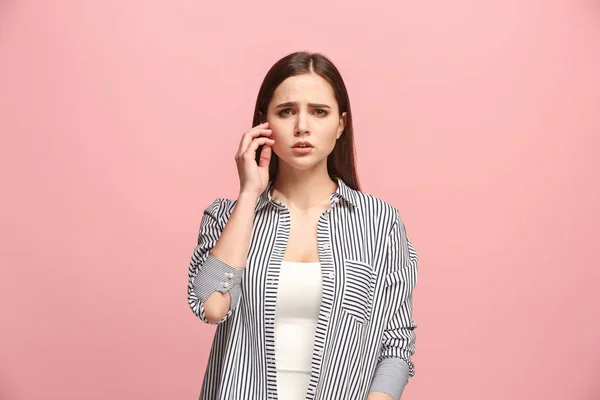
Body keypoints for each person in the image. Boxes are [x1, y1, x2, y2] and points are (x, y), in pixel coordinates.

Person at [187, 51, 418, 400]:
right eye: (286, 112)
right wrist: (249, 193)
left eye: (319, 112)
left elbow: (396, 344)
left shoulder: (380, 223)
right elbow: (212, 306)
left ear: (341, 124)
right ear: (264, 123)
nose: (302, 127)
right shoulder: (228, 217)